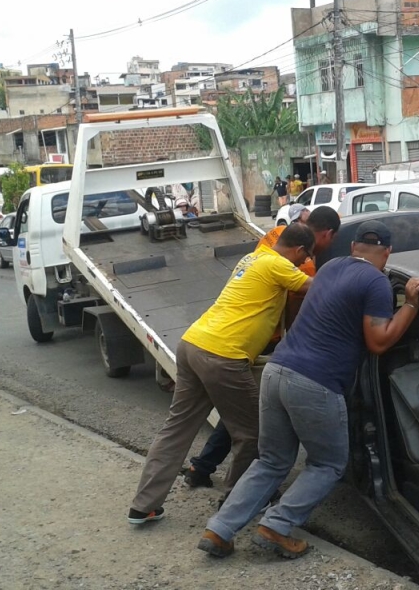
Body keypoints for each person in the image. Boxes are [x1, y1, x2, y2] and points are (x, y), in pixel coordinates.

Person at [197, 221, 419, 559]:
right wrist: (409, 305)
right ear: (387, 252)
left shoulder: (331, 267)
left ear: (352, 248)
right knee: (329, 464)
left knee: (272, 460)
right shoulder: (376, 282)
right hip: (316, 382)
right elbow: (378, 342)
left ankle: (219, 530)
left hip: (277, 370)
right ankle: (277, 526)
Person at [128, 224, 316, 525]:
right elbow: (316, 287)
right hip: (223, 356)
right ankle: (235, 502)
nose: (302, 264)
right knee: (253, 433)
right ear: (300, 251)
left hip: (193, 344)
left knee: (176, 429)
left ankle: (143, 505)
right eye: (305, 258)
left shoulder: (252, 258)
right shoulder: (278, 264)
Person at [180, 207, 342, 490]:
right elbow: (298, 298)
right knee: (252, 417)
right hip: (269, 338)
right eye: (331, 240)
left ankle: (202, 466)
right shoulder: (300, 260)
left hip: (255, 333)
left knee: (242, 411)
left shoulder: (276, 236)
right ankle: (242, 489)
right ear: (326, 234)